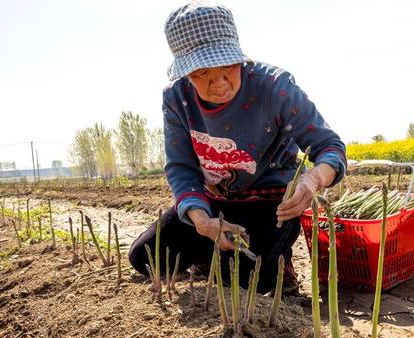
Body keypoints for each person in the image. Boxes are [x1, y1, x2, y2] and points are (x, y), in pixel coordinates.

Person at [128, 2, 347, 294]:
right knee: (146, 259)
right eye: (202, 72)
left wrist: (312, 180)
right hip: (215, 200)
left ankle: (270, 265)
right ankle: (210, 253)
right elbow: (181, 167)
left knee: (249, 282)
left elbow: (329, 147)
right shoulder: (176, 99)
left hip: (271, 203)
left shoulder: (274, 88)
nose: (219, 83)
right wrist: (201, 219)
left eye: (228, 66)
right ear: (185, 73)